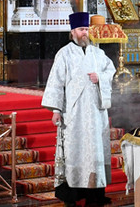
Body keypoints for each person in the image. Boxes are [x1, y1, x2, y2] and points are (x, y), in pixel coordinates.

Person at [42, 12, 116, 207]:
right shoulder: (64, 54)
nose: (85, 33)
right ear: (73, 31)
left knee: (95, 152)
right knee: (75, 152)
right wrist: (56, 110)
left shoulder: (98, 53)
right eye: (82, 29)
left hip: (95, 113)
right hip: (74, 115)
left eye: (87, 29)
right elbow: (56, 84)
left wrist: (100, 77)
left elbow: (111, 70)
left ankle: (95, 196)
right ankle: (73, 196)